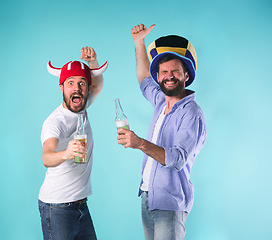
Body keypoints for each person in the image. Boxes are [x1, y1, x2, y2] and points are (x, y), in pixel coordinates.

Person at [117, 24, 207, 240]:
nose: (169, 76)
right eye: (164, 72)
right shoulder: (160, 102)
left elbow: (177, 159)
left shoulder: (191, 113)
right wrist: (139, 43)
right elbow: (144, 80)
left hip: (170, 202)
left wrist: (139, 143)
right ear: (158, 76)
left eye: (175, 71)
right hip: (148, 197)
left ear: (186, 75)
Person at [38, 46, 108, 240]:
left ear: (87, 88)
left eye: (81, 84)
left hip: (81, 205)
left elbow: (99, 85)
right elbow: (47, 157)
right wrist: (67, 153)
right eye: (70, 83)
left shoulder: (81, 106)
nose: (76, 88)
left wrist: (93, 62)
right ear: (61, 87)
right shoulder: (55, 122)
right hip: (57, 207)